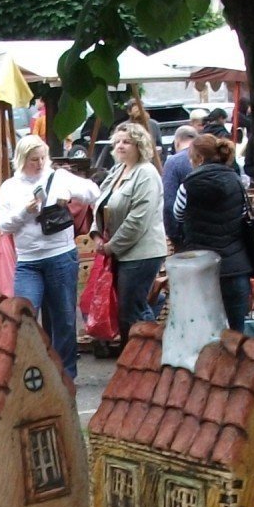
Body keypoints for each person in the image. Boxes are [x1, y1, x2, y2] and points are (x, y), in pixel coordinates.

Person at [0, 132, 99, 378]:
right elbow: (3, 225)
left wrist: (72, 195)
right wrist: (25, 211)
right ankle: (31, 368)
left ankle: (65, 375)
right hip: (29, 261)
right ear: (21, 159)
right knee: (25, 315)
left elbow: (93, 191)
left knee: (63, 318)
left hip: (61, 255)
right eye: (33, 159)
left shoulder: (59, 177)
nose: (39, 163)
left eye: (42, 158)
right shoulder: (10, 187)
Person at [94, 121, 167, 345]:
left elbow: (138, 220)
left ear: (140, 144)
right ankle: (137, 359)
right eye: (117, 142)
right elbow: (101, 204)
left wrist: (110, 246)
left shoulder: (146, 173)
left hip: (141, 253)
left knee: (132, 311)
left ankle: (147, 357)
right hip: (121, 252)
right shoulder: (118, 170)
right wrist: (96, 234)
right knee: (129, 310)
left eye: (127, 142)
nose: (120, 146)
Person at [173, 133, 254, 331]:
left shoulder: (188, 185)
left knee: (204, 332)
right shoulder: (236, 181)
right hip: (235, 267)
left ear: (199, 159)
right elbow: (244, 215)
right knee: (236, 332)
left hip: (201, 268)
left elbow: (178, 215)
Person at [160, 123, 199, 246]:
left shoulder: (173, 162)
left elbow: (169, 202)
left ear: (177, 142)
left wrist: (173, 234)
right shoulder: (211, 157)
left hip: (186, 232)